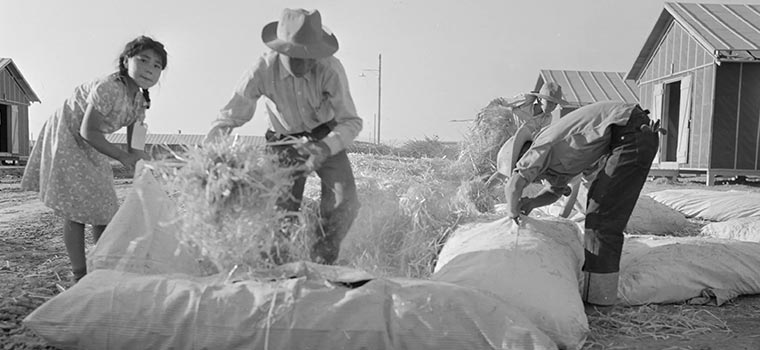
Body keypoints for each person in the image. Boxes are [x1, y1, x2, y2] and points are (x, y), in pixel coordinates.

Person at [205, 8, 362, 265]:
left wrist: (324, 147)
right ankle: (278, 268)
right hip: (282, 140)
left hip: (324, 134)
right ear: (280, 49)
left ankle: (322, 259)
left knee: (345, 202)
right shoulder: (262, 69)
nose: (305, 63)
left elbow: (350, 121)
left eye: (311, 56)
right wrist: (210, 154)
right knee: (279, 213)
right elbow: (230, 116)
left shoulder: (330, 69)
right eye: (297, 57)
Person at [21, 36, 168, 282]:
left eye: (156, 66)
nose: (149, 69)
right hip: (68, 134)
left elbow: (136, 145)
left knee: (105, 207)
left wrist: (145, 170)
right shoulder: (109, 87)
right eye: (143, 60)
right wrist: (122, 157)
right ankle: (79, 274)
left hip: (93, 142)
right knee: (76, 209)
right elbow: (88, 131)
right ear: (125, 61)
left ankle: (102, 268)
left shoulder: (140, 102)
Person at [501, 101, 662, 309]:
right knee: (598, 207)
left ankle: (600, 303)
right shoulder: (552, 161)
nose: (532, 180)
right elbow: (553, 192)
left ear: (521, 157)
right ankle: (599, 295)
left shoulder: (540, 147)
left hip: (629, 131)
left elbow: (513, 185)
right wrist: (532, 203)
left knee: (601, 219)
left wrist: (512, 214)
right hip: (631, 133)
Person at [485, 83, 568, 186]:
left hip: (516, 145)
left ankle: (487, 189)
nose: (551, 107)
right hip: (503, 134)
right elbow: (502, 102)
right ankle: (485, 187)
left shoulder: (547, 118)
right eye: (549, 102)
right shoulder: (527, 99)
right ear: (540, 99)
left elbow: (536, 137)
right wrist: (489, 112)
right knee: (494, 167)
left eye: (555, 104)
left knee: (506, 170)